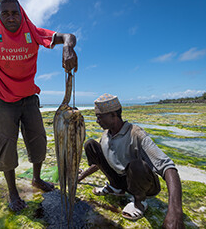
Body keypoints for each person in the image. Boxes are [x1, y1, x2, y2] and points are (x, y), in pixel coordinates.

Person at [0, 0, 78, 212]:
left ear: (21, 13)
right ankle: (13, 193)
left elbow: (68, 36)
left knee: (38, 141)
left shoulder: (31, 31)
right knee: (5, 148)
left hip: (29, 98)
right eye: (6, 13)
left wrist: (68, 47)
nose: (11, 17)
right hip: (4, 100)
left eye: (15, 13)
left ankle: (37, 179)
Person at [78, 94, 184, 228]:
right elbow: (99, 163)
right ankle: (116, 188)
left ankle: (139, 202)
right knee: (90, 145)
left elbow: (168, 167)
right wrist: (81, 177)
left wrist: (175, 212)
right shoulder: (106, 135)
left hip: (143, 182)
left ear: (113, 115)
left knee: (136, 165)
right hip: (121, 179)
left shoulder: (136, 133)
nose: (97, 121)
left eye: (100, 117)